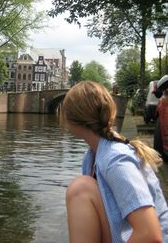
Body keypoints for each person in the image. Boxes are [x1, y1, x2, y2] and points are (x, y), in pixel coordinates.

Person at [60, 81, 168, 243]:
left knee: (80, 188)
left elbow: (150, 235)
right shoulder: (92, 157)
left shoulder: (115, 159)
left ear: (71, 118)